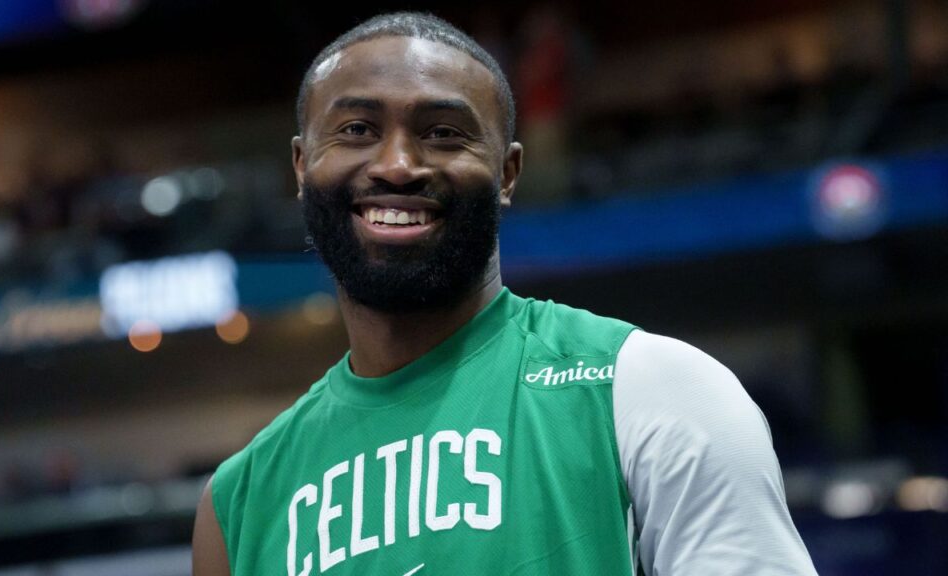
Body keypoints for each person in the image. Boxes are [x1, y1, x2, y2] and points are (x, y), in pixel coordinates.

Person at [193, 12, 818, 576]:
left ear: (506, 174)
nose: (399, 164)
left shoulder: (649, 388)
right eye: (357, 129)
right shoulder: (238, 503)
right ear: (302, 167)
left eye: (442, 133)